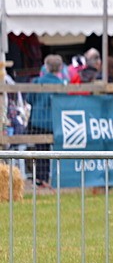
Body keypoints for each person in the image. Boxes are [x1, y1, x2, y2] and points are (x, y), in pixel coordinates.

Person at [28, 54, 68, 186]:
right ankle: (60, 177)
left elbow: (29, 99)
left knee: (40, 150)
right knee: (57, 149)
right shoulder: (62, 85)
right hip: (55, 123)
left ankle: (40, 179)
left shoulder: (37, 82)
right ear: (60, 68)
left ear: (46, 66)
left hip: (38, 122)